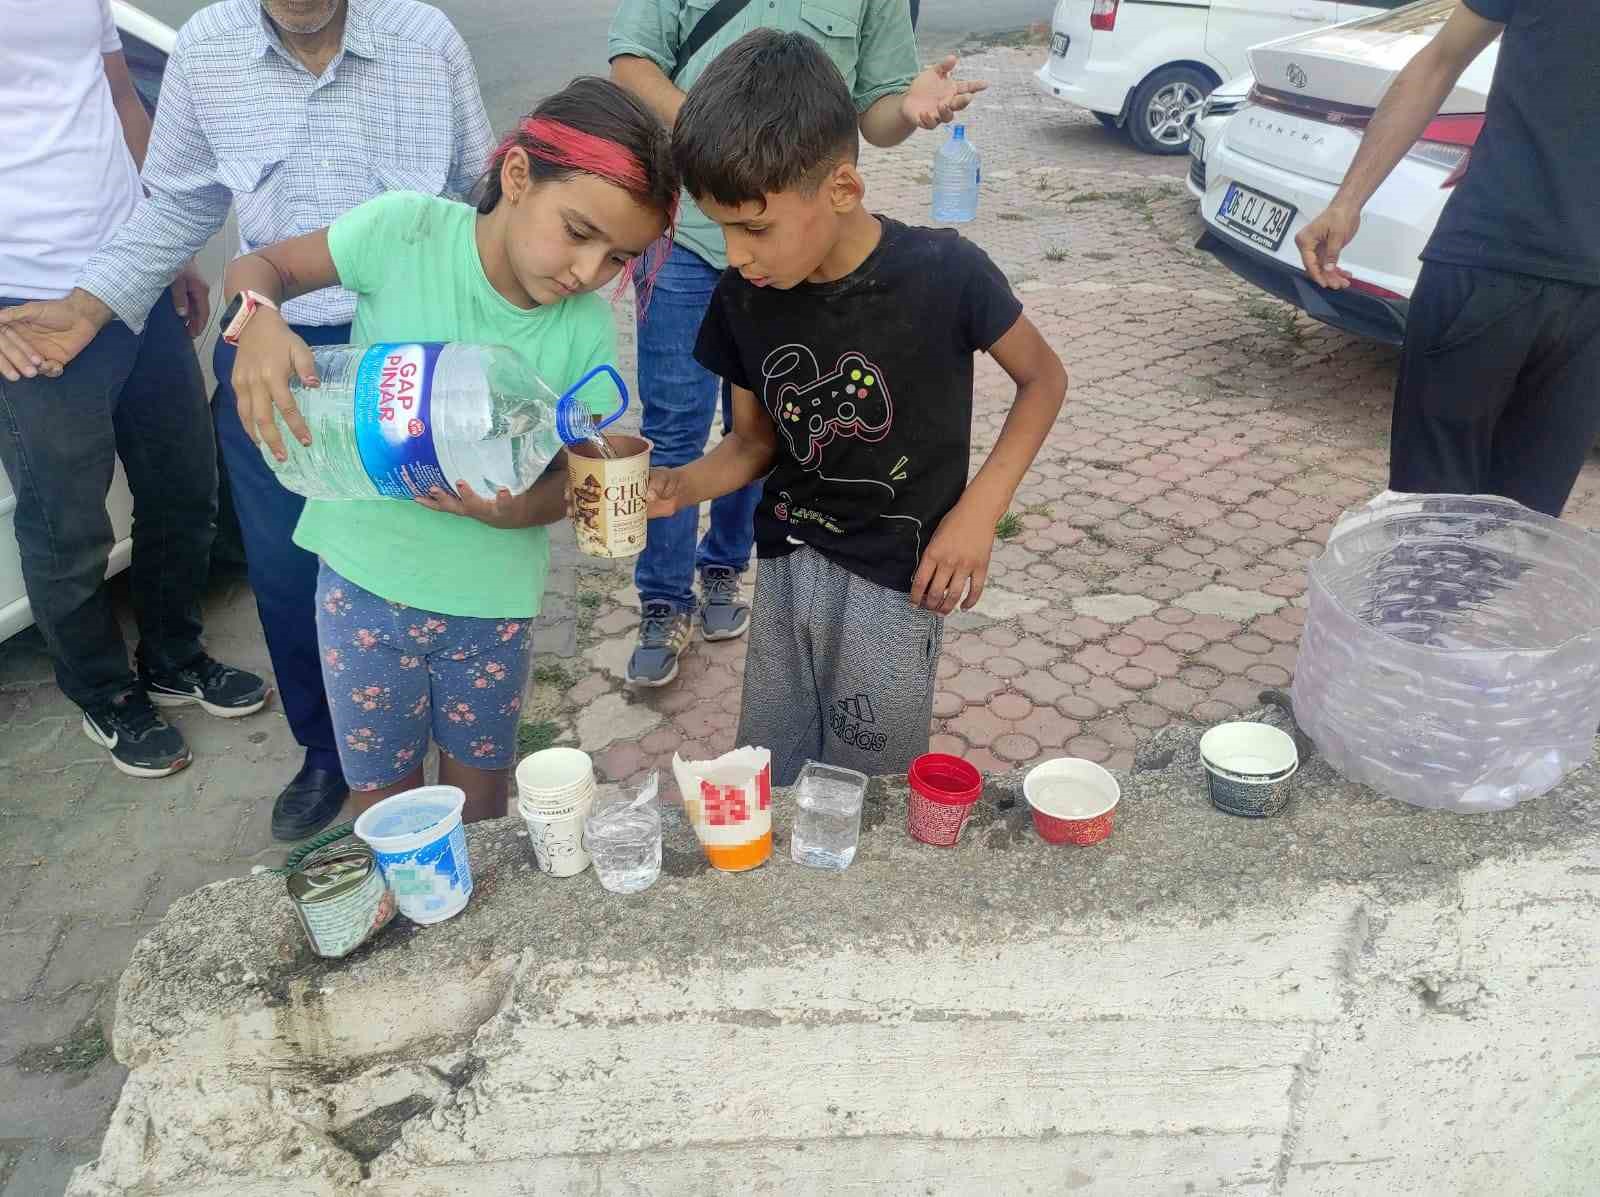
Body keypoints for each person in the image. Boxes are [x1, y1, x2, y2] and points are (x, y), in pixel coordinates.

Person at [0, 0, 495, 838]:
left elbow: (481, 201)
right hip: (272, 351)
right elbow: (178, 202)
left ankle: (459, 745)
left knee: (432, 553)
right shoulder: (205, 49)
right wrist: (89, 309)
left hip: (409, 357)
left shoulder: (425, 40)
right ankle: (329, 751)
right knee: (287, 570)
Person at [223, 79, 678, 824]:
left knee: (480, 810)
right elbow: (260, 268)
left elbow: (569, 482)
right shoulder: (403, 233)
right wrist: (260, 321)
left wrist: (514, 510)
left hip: (488, 605)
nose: (588, 272)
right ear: (519, 175)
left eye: (617, 257)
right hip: (363, 584)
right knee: (387, 810)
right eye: (577, 231)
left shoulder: (583, 332)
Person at [645, 31, 1067, 784]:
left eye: (755, 226)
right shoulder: (745, 297)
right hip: (784, 569)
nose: (737, 254)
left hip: (897, 583)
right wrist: (676, 487)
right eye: (721, 228)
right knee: (773, 773)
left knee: (867, 795)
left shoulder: (946, 274)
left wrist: (977, 516)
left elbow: (1044, 380)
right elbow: (751, 444)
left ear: (842, 190)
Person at [607, 0, 985, 687]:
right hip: (693, 232)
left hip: (793, 241)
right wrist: (723, 143)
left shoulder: (942, 272)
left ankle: (724, 566)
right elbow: (632, 60)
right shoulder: (732, 248)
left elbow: (874, 109)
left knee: (768, 419)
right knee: (672, 427)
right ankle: (663, 600)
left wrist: (906, 108)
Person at [0, 0, 267, 779]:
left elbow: (120, 96)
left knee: (185, 487)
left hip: (130, 280)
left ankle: (175, 657)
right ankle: (105, 694)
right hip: (29, 305)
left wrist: (169, 245)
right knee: (67, 530)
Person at [1295, 0, 1600, 519]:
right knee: (1515, 530)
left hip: (1488, 258)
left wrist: (1347, 203)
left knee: (1438, 520)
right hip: (1553, 280)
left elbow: (1441, 60)